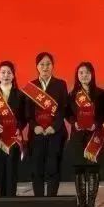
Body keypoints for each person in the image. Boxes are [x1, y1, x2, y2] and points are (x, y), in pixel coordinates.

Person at [22, 52, 68, 197]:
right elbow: (27, 112)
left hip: (55, 133)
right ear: (37, 66)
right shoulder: (31, 87)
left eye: (48, 64)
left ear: (53, 66)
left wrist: (54, 127)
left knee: (53, 167)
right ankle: (39, 200)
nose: (45, 67)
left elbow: (63, 109)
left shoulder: (60, 84)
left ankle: (52, 199)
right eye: (42, 64)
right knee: (37, 168)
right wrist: (34, 126)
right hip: (37, 133)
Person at [66, 62, 104, 207]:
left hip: (94, 135)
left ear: (92, 74)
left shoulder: (101, 94)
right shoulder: (72, 95)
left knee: (93, 169)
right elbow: (67, 113)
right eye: (81, 73)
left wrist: (96, 123)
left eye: (87, 72)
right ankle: (81, 204)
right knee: (79, 169)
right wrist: (74, 123)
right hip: (78, 136)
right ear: (77, 75)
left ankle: (91, 205)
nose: (84, 75)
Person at [0, 61, 27, 197]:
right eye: (3, 72)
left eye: (9, 72)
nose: (6, 75)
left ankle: (11, 201)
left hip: (13, 139)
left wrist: (19, 127)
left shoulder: (20, 95)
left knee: (11, 171)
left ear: (13, 76)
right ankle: (0, 201)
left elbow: (24, 117)